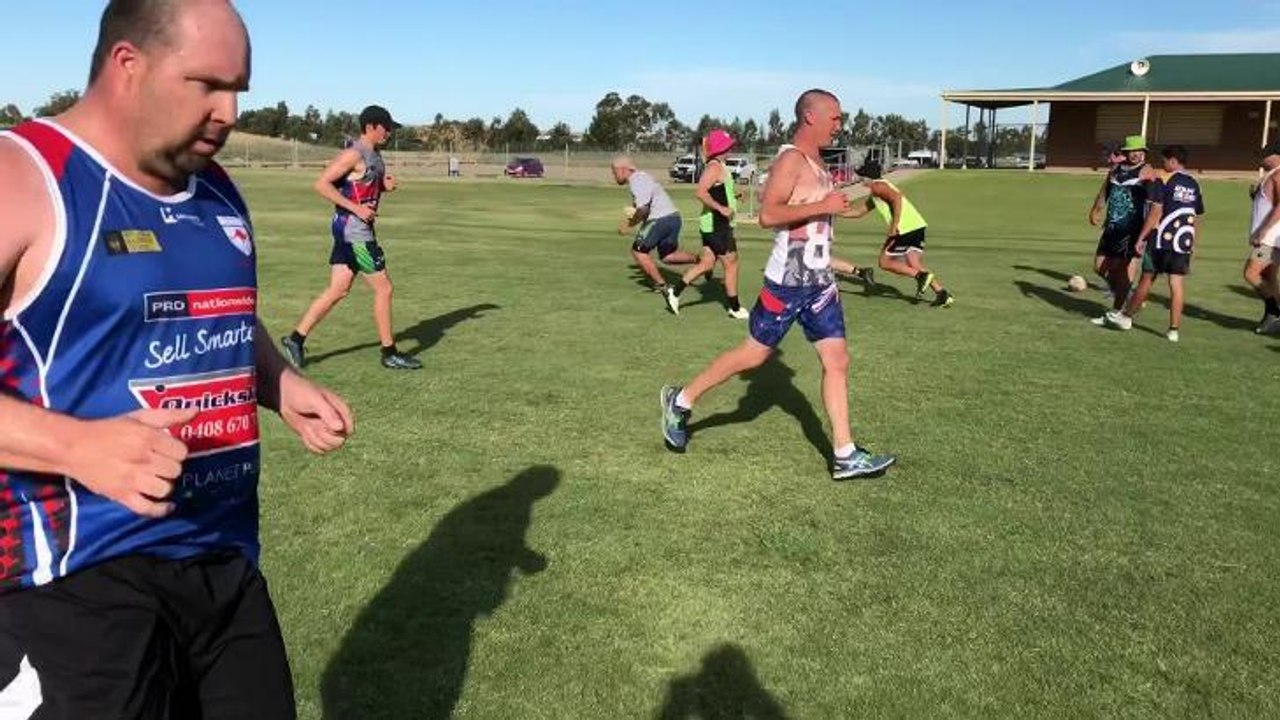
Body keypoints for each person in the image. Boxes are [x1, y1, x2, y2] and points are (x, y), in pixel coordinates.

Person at [0, 1, 353, 717]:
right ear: (128, 65)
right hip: (75, 582)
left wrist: (279, 383)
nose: (227, 111)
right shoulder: (25, 176)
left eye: (238, 90)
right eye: (207, 85)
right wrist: (77, 447)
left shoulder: (217, 188)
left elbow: (220, 313)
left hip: (222, 558)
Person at [658, 89, 896, 481]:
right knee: (752, 356)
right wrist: (824, 205)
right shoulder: (791, 159)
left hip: (819, 281)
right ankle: (681, 402)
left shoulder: (819, 163)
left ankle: (845, 453)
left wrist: (865, 202)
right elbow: (769, 214)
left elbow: (826, 213)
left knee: (837, 361)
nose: (840, 124)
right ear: (810, 117)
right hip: (787, 281)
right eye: (834, 117)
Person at [281, 105, 421, 370]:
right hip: (355, 233)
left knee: (338, 289)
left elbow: (359, 185)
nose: (389, 133)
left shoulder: (375, 155)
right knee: (384, 288)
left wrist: (383, 186)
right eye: (386, 128)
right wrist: (357, 209)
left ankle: (295, 339)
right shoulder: (354, 154)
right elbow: (321, 184)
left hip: (352, 231)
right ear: (371, 127)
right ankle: (389, 352)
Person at [1104, 145, 1204, 342]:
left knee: (1147, 278)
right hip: (1183, 241)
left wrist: (1141, 238)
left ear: (1173, 161)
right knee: (1176, 284)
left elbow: (1155, 211)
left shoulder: (1163, 179)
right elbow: (1197, 215)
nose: (1163, 164)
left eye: (1165, 160)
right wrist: (1193, 243)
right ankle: (1173, 330)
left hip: (1160, 238)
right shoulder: (1194, 183)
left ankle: (1125, 317)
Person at [662, 129, 748, 319]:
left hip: (713, 225)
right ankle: (734, 308)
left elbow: (718, 190)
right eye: (728, 146)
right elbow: (701, 192)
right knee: (732, 264)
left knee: (707, 262)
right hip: (717, 225)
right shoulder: (714, 167)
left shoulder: (719, 166)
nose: (731, 149)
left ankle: (674, 292)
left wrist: (734, 195)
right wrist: (721, 209)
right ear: (720, 148)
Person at [841, 169, 953, 307]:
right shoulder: (877, 191)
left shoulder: (878, 187)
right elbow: (858, 212)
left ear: (868, 177)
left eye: (861, 177)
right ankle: (942, 294)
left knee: (884, 262)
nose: (860, 181)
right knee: (914, 263)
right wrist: (833, 211)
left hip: (904, 228)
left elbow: (897, 199)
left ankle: (920, 276)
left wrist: (894, 226)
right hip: (917, 225)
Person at [611, 156, 699, 292]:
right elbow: (644, 206)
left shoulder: (636, 180)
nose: (614, 176)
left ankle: (662, 286)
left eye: (614, 172)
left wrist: (629, 225)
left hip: (660, 219)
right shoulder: (643, 176)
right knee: (667, 256)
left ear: (622, 170)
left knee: (638, 252)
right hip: (674, 218)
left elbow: (644, 209)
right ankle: (700, 261)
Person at [1088, 135, 1150, 323]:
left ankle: (1117, 312)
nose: (1137, 154)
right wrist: (1096, 208)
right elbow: (1105, 190)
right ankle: (1127, 295)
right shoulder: (1116, 170)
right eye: (1133, 151)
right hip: (1112, 227)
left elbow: (1157, 199)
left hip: (1133, 230)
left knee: (1125, 272)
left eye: (1140, 151)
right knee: (1099, 266)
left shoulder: (1147, 171)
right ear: (1126, 153)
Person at [1245, 141, 1280, 334]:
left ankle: (1274, 312)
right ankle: (1276, 316)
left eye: (1266, 155)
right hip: (1271, 237)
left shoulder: (1279, 174)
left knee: (1250, 273)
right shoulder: (1271, 175)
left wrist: (1263, 231)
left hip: (1271, 237)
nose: (1262, 158)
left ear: (1276, 156)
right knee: (1269, 277)